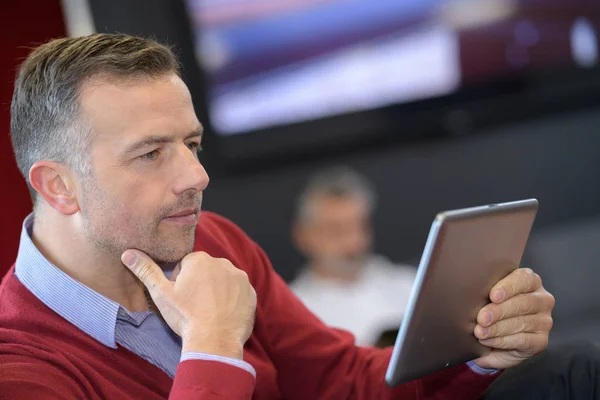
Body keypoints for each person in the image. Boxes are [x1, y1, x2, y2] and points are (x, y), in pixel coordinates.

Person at [0, 33, 555, 399]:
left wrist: (478, 350)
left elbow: (345, 384)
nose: (196, 176)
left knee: (569, 370)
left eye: (192, 144)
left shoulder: (212, 241)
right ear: (59, 186)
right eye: (150, 154)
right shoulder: (20, 370)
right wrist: (214, 345)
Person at [290, 166, 417, 347]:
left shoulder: (410, 284)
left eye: (359, 226)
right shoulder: (295, 313)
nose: (353, 242)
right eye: (337, 230)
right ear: (303, 235)